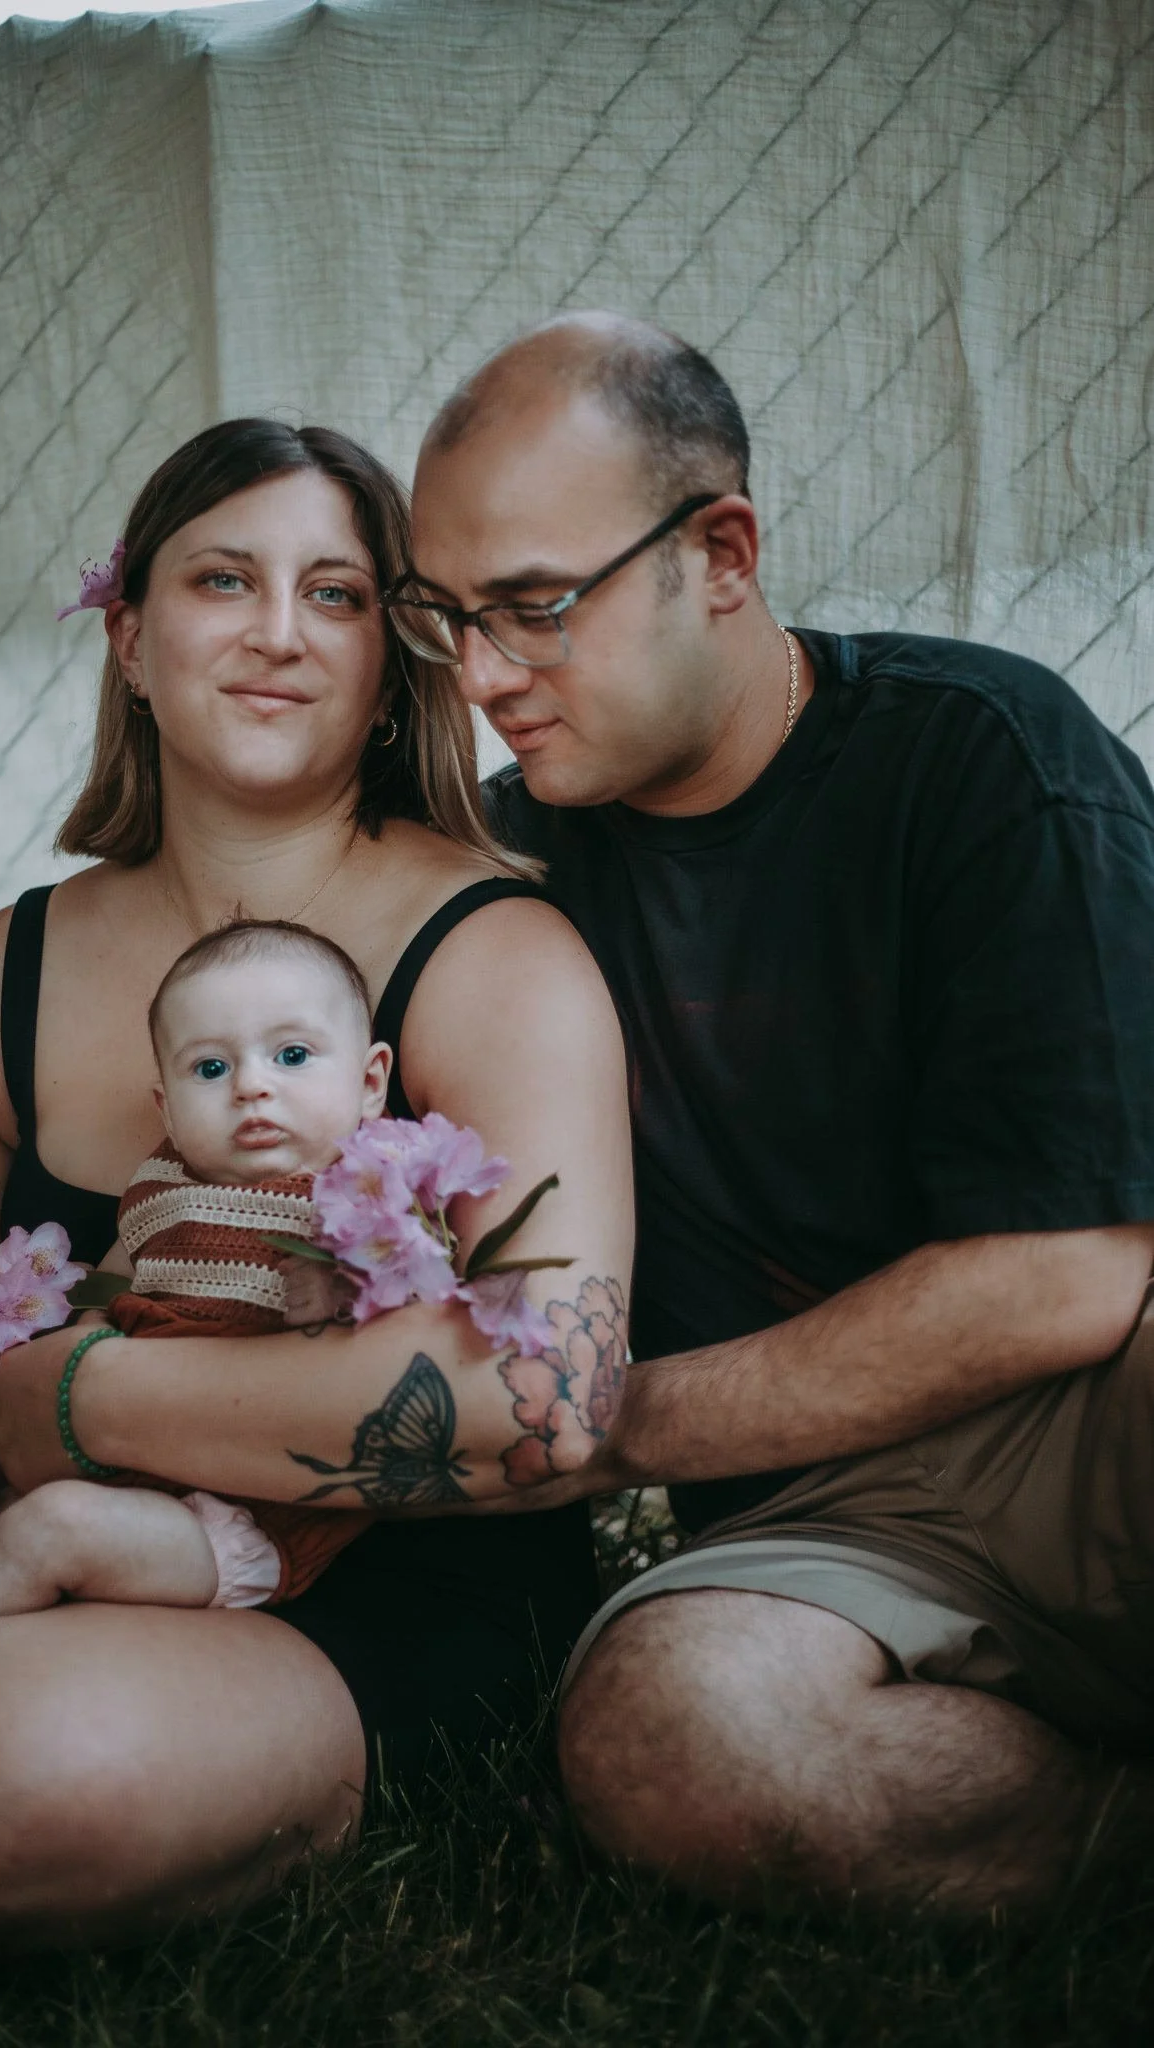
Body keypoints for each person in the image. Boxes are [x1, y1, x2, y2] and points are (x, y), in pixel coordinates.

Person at [0, 418, 634, 1940]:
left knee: (8, 1766)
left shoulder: (497, 954)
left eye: (335, 595)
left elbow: (534, 1394)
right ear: (128, 636)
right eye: (222, 579)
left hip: (338, 1603)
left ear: (396, 659)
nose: (274, 634)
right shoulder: (11, 967)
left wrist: (75, 1398)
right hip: (16, 1549)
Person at [394, 311, 1154, 1915]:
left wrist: (603, 1427)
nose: (479, 678)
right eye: (441, 618)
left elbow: (1069, 1277)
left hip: (1103, 1422)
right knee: (672, 1740)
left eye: (534, 607)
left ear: (721, 550)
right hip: (828, 1524)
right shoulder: (495, 889)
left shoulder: (985, 757)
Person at [0, 916, 404, 1698]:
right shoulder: (162, 1195)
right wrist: (1, 1286)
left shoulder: (364, 1203)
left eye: (291, 1056)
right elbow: (101, 1298)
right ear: (167, 1105)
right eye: (210, 1068)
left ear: (370, 1081)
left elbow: (381, 1364)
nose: (252, 1085)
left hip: (241, 1515)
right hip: (122, 1473)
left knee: (51, 1532)